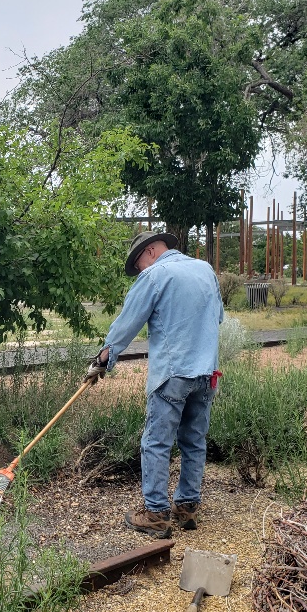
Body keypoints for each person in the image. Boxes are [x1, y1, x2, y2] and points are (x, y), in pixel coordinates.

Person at [87, 229, 223, 539]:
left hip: (172, 374)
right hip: (206, 374)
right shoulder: (205, 270)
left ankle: (156, 513)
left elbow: (127, 323)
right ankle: (187, 507)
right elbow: (217, 319)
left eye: (139, 266)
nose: (140, 272)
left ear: (148, 253)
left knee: (156, 442)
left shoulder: (155, 276)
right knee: (194, 441)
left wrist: (104, 358)